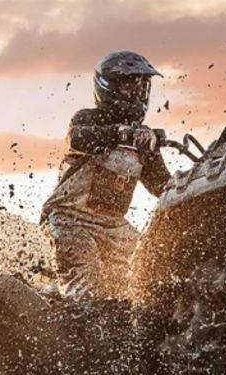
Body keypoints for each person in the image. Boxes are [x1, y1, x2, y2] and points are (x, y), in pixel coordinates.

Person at [41, 50, 170, 299]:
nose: (136, 94)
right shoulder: (88, 119)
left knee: (151, 270)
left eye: (142, 87)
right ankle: (70, 318)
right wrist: (121, 134)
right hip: (70, 219)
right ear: (108, 87)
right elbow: (78, 137)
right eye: (129, 86)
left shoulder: (144, 139)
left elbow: (163, 187)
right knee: (89, 289)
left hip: (113, 226)